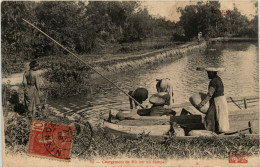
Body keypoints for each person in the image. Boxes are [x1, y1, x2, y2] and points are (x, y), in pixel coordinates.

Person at [197, 67, 229, 133]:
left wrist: (202, 104)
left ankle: (211, 132)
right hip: (221, 99)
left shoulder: (213, 81)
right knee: (220, 116)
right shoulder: (218, 79)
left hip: (217, 101)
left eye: (208, 73)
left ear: (212, 73)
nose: (208, 75)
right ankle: (219, 131)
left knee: (209, 117)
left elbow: (210, 94)